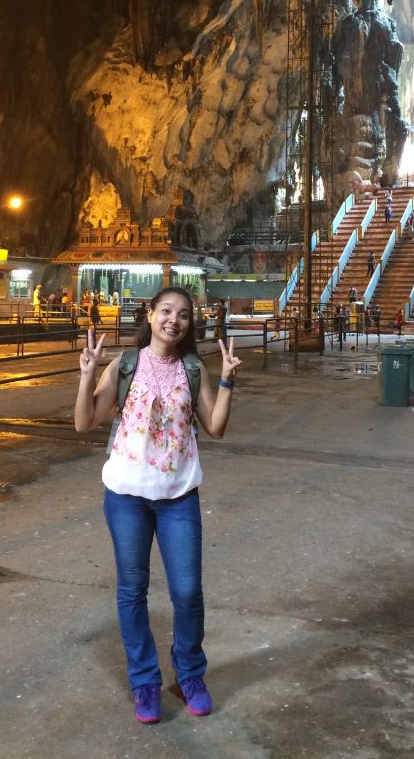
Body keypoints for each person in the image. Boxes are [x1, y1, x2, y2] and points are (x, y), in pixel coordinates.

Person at [74, 287, 242, 724]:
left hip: (178, 498)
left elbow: (216, 427)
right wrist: (87, 374)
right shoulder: (125, 365)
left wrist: (226, 379)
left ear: (190, 323)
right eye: (166, 311)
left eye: (183, 314)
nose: (174, 320)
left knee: (187, 593)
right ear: (149, 316)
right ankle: (144, 681)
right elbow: (84, 421)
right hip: (126, 497)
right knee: (133, 590)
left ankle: (190, 674)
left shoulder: (192, 368)